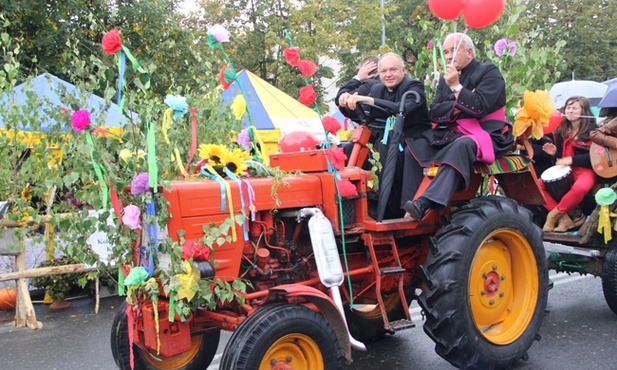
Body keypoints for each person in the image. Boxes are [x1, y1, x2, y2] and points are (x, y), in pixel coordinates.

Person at [402, 32, 513, 220]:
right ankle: (407, 206)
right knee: (413, 146)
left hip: (488, 133)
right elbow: (435, 112)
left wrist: (456, 88)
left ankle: (425, 203)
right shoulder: (446, 78)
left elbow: (479, 107)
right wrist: (459, 104)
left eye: (453, 50)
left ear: (470, 52)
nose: (448, 56)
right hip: (455, 132)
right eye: (445, 52)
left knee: (461, 146)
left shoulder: (489, 72)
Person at [339, 52, 431, 218]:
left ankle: (390, 208)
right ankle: (351, 203)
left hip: (413, 138)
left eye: (393, 70)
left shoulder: (413, 87)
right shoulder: (377, 88)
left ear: (403, 70)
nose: (388, 75)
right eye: (384, 71)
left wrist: (369, 100)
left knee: (385, 149)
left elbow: (400, 109)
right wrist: (347, 102)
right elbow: (367, 115)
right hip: (386, 137)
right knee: (349, 150)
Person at [534, 96, 597, 232]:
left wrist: (572, 160)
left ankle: (553, 216)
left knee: (580, 188)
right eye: (568, 107)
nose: (570, 110)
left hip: (585, 169)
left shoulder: (593, 131)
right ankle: (564, 219)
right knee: (537, 185)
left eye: (574, 107)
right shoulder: (562, 131)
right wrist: (554, 153)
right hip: (565, 169)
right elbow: (559, 158)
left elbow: (595, 156)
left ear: (583, 110)